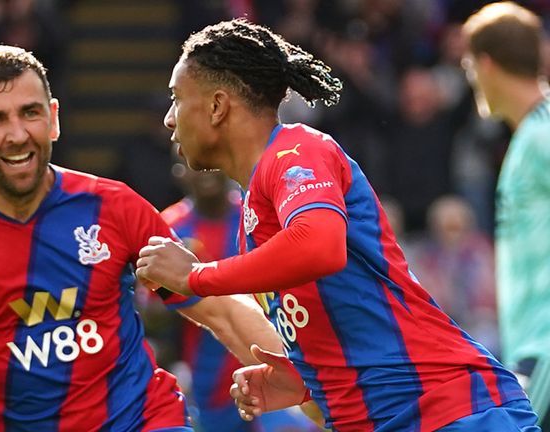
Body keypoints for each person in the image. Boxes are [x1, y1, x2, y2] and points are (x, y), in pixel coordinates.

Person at [0, 45, 284, 431]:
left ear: (54, 119)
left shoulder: (114, 207)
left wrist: (307, 385)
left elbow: (220, 308)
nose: (17, 134)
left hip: (144, 420)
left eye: (30, 113)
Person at [136, 18, 539, 431]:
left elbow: (320, 245)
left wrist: (197, 276)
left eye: (176, 98)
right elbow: (348, 320)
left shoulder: (295, 150)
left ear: (218, 106)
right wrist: (307, 384)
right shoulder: (253, 222)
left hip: (453, 411)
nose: (169, 119)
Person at [161, 163, 318, 432]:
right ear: (180, 173)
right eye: (197, 166)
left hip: (276, 364)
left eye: (212, 167)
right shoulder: (171, 228)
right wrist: (172, 284)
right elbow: (151, 313)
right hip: (207, 379)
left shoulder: (258, 217)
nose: (206, 174)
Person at [461, 2, 550, 428]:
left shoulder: (542, 134)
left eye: (468, 63)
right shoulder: (527, 137)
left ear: (487, 64)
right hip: (531, 346)